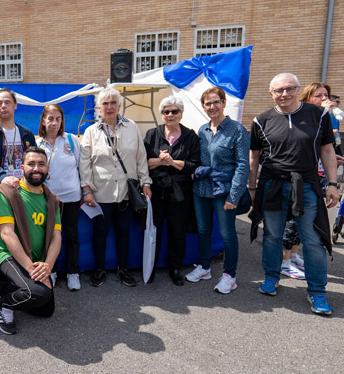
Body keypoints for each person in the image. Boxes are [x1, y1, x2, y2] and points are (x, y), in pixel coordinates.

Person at [249, 73, 338, 315]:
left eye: (289, 89)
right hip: (272, 185)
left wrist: (333, 184)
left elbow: (328, 151)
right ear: (271, 94)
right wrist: (253, 187)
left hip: (307, 184)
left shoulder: (318, 115)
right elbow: (254, 157)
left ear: (298, 89)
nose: (284, 94)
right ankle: (271, 277)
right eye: (279, 90)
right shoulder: (261, 120)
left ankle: (317, 292)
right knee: (272, 235)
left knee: (313, 240)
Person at [0, 147, 62, 335]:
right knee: (37, 293)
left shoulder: (52, 200)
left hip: (36, 258)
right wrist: (32, 269)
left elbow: (56, 236)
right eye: (31, 164)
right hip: (8, 255)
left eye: (41, 164)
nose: (36, 168)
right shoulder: (7, 194)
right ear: (22, 168)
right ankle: (3, 305)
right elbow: (7, 235)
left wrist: (47, 266)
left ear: (47, 168)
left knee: (46, 309)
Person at [79, 87, 152, 287]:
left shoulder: (132, 127)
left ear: (119, 106)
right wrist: (86, 189)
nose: (109, 107)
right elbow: (84, 164)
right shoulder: (91, 132)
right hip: (100, 193)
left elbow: (141, 158)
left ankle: (123, 269)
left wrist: (146, 182)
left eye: (113, 103)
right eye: (105, 103)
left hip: (127, 193)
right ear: (99, 107)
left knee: (123, 232)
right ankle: (100, 270)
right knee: (100, 234)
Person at [185, 87, 249, 294]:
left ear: (223, 103)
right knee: (203, 230)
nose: (212, 107)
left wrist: (234, 195)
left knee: (227, 234)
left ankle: (230, 275)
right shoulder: (202, 129)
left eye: (215, 102)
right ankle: (204, 267)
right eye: (207, 104)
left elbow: (242, 165)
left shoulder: (236, 130)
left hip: (225, 190)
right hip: (202, 189)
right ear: (203, 106)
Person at [143, 96, 201, 286]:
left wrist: (172, 162)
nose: (170, 115)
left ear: (181, 114)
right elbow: (144, 163)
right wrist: (160, 161)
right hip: (157, 191)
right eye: (166, 112)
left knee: (177, 232)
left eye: (174, 111)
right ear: (161, 114)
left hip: (181, 193)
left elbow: (194, 165)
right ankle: (150, 267)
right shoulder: (152, 134)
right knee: (154, 231)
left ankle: (175, 268)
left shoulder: (190, 136)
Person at [0, 88, 36, 278]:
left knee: (21, 237)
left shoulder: (26, 134)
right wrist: (3, 177)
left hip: (22, 196)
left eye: (7, 102)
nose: (3, 106)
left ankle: (18, 277)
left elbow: (33, 162)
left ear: (15, 105)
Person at [36, 104, 82, 290]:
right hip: (48, 200)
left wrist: (85, 192)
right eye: (50, 119)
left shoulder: (71, 140)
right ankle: (51, 272)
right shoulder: (37, 144)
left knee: (71, 236)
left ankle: (73, 273)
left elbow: (82, 167)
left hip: (71, 198)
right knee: (48, 237)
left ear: (62, 121)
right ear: (44, 121)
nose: (54, 123)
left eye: (58, 119)